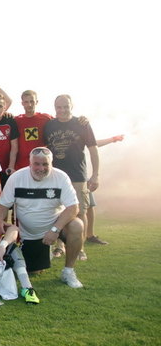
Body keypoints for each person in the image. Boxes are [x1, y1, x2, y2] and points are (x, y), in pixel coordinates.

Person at [0, 147, 84, 288]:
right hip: (29, 235)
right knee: (34, 271)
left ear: (51, 163)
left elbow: (73, 207)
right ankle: (44, 251)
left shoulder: (61, 177)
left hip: (54, 227)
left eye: (45, 164)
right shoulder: (16, 178)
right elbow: (2, 206)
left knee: (77, 225)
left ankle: (68, 272)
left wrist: (55, 229)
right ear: (30, 163)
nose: (41, 168)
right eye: (37, 164)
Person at [44, 94, 99, 261]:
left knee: (80, 212)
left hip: (77, 176)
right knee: (57, 212)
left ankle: (79, 247)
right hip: (55, 177)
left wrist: (95, 175)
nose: (62, 110)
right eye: (59, 107)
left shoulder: (81, 124)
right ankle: (60, 247)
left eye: (66, 106)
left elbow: (93, 150)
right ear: (55, 108)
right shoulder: (49, 125)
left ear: (71, 106)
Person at [85, 134, 124, 245]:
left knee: (90, 205)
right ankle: (61, 242)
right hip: (63, 174)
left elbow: (93, 143)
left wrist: (112, 139)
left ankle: (90, 235)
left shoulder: (78, 132)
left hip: (80, 173)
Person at [14, 90, 52, 170]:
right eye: (26, 102)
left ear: (36, 102)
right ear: (22, 103)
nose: (29, 104)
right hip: (22, 165)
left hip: (41, 165)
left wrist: (81, 120)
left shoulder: (46, 118)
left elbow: (63, 121)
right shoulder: (16, 120)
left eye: (32, 101)